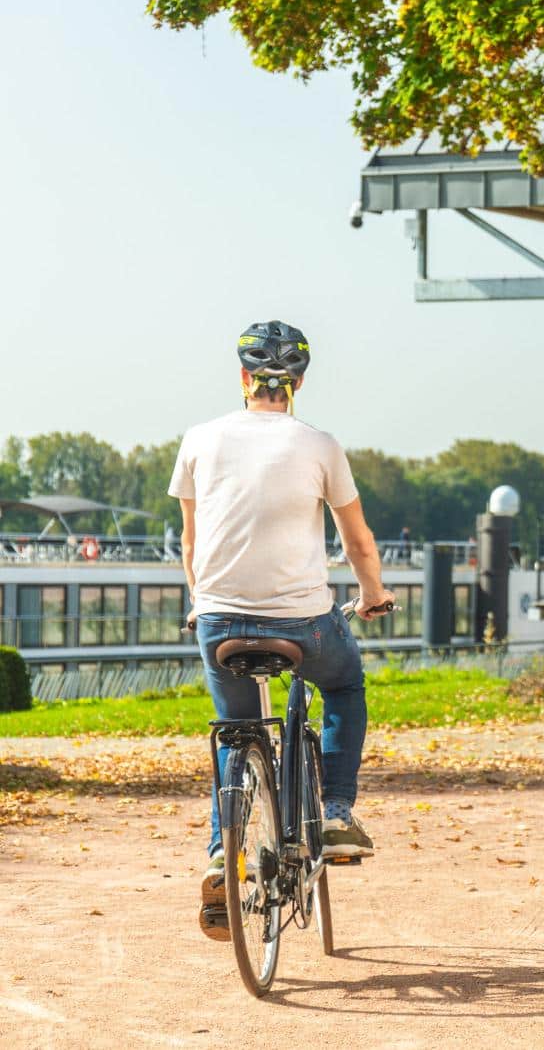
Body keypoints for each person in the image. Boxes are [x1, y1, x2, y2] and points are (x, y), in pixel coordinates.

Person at [169, 319, 395, 940]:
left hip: (218, 619)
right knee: (344, 687)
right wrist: (372, 595)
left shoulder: (198, 439)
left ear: (244, 378)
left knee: (235, 731)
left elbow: (191, 541)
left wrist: (201, 602)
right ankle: (337, 812)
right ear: (297, 382)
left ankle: (223, 849)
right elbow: (358, 541)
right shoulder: (320, 445)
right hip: (304, 621)